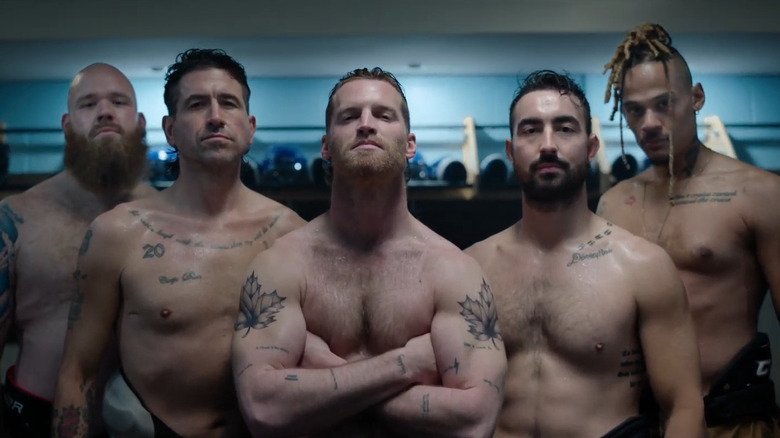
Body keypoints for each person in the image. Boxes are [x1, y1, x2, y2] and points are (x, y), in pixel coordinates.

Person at [231, 67, 507, 437]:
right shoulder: (282, 264)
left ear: (410, 143)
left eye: (383, 114)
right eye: (349, 116)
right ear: (326, 146)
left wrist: (325, 383)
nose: (365, 124)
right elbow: (264, 409)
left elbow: (474, 422)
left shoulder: (453, 271)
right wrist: (407, 364)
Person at [52, 49, 306, 438]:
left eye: (228, 103)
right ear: (170, 129)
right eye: (197, 104)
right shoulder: (118, 233)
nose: (215, 117)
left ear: (250, 126)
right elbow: (78, 372)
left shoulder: (291, 234)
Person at [465, 70, 705, 437]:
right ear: (512, 152)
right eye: (531, 129)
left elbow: (684, 408)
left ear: (591, 148)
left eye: (565, 128)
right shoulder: (473, 268)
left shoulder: (643, 267)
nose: (548, 144)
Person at [598, 23, 780, 437]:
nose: (649, 123)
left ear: (696, 98)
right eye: (634, 110)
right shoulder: (613, 204)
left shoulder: (760, 193)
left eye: (664, 104)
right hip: (643, 422)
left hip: (733, 420)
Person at [0, 63, 156, 438]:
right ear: (67, 125)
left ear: (140, 121)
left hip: (144, 425)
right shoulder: (16, 219)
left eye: (119, 101)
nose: (105, 111)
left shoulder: (169, 219)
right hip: (32, 417)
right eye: (89, 104)